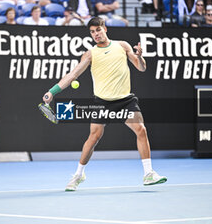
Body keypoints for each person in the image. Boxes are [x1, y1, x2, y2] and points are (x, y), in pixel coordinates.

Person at [42, 17, 167, 192]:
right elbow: (72, 75)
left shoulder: (122, 46)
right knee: (94, 138)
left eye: (98, 30)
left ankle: (148, 173)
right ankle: (78, 175)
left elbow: (141, 68)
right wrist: (52, 92)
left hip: (125, 101)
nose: (95, 34)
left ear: (105, 29)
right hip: (102, 103)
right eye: (92, 32)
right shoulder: (90, 54)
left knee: (141, 130)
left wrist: (140, 57)